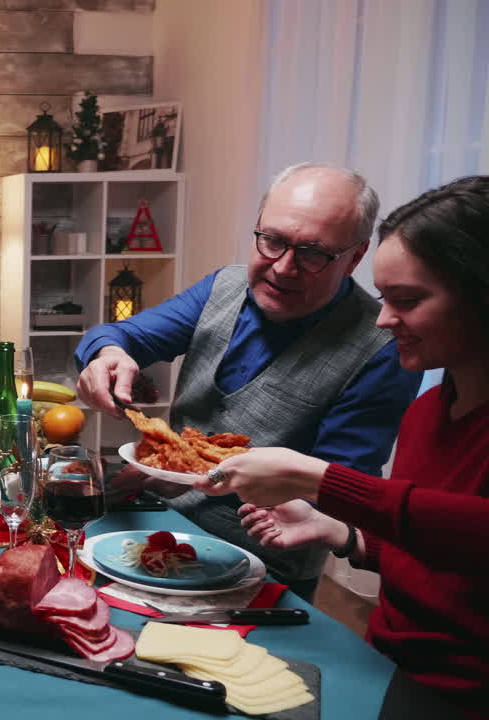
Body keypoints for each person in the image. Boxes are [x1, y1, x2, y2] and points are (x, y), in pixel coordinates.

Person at [200, 176, 489, 717]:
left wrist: (316, 480)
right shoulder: (428, 412)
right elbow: (443, 560)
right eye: (384, 299)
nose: (382, 319)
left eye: (407, 301)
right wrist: (341, 533)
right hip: (379, 664)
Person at [75, 163, 423, 599]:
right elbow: (118, 335)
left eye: (313, 253)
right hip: (157, 529)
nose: (283, 267)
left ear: (354, 257)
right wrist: (108, 356)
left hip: (263, 569)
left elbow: (338, 491)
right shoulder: (224, 286)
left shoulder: (382, 347)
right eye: (272, 240)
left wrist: (209, 477)